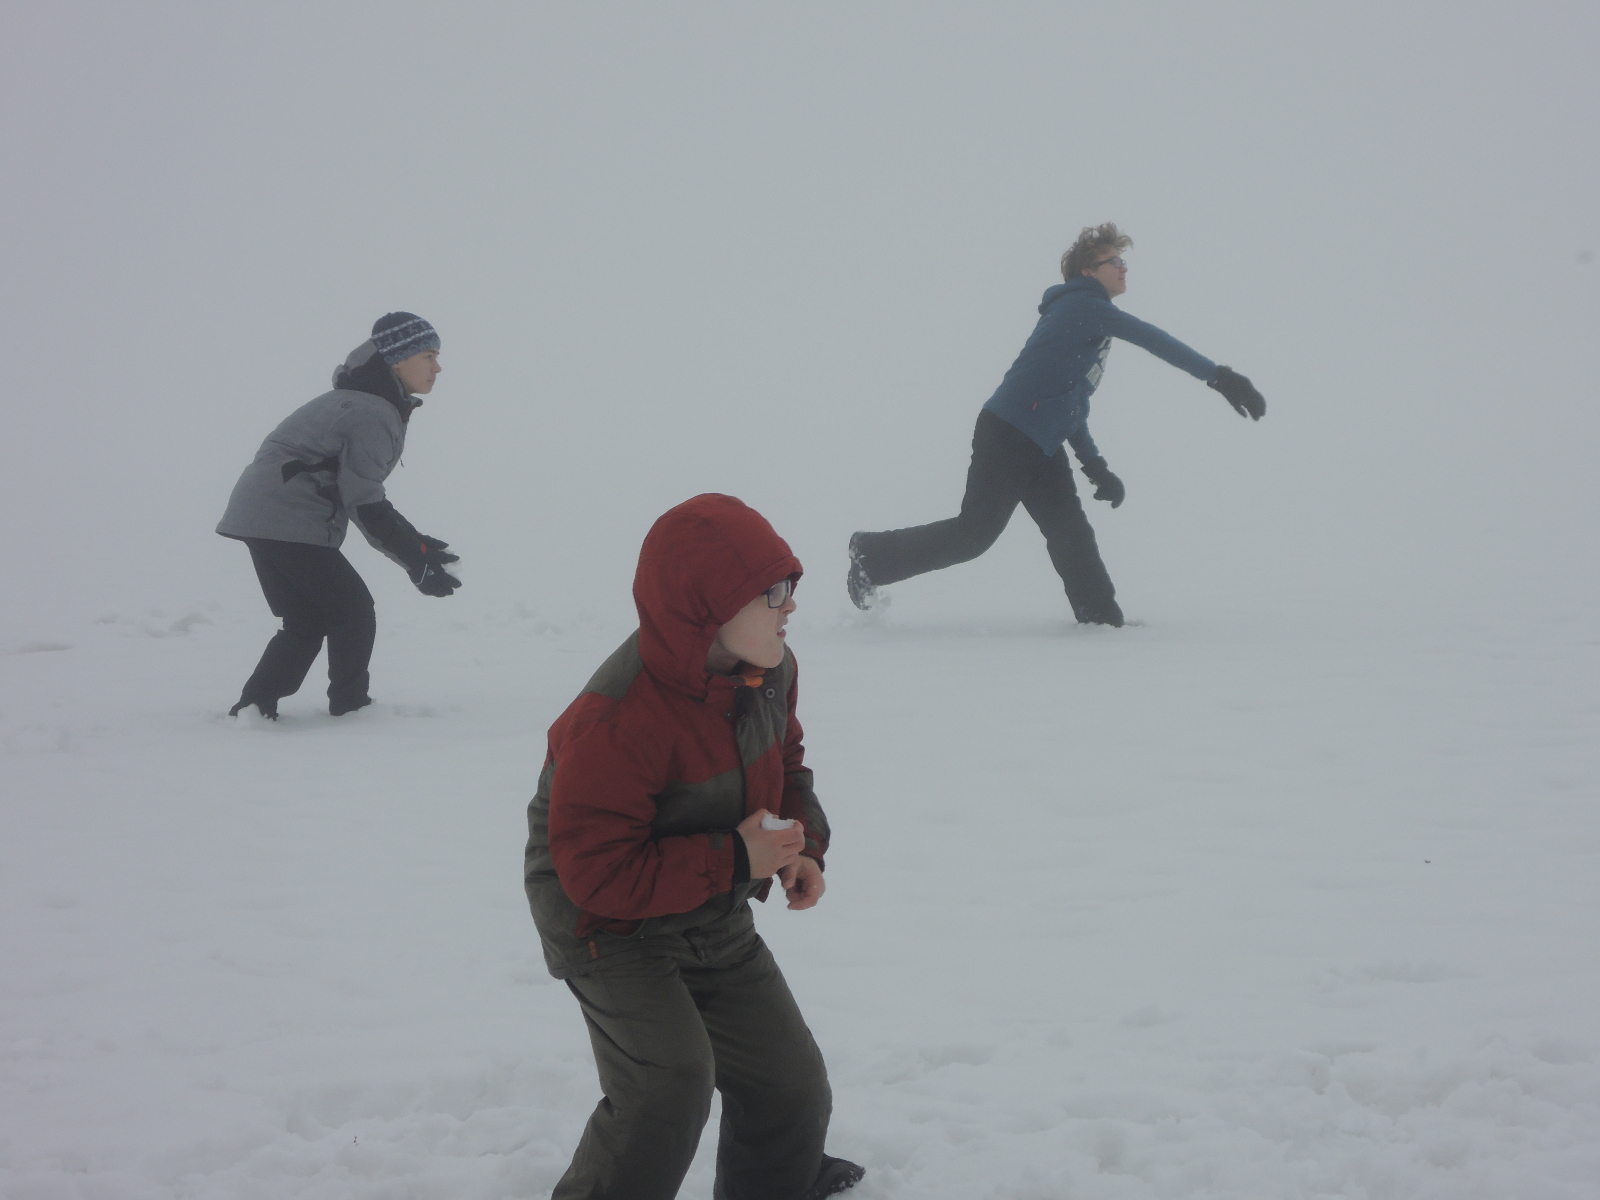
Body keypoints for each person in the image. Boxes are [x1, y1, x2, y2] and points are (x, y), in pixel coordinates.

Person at [524, 493, 864, 1200]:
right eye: (772, 592)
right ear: (707, 608)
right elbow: (596, 875)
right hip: (607, 927)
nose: (790, 606)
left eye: (790, 586)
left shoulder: (769, 671)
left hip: (710, 907)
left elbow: (786, 762)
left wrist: (803, 846)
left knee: (789, 1079)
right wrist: (737, 859)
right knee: (668, 1086)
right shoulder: (614, 722)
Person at [847, 223, 1266, 626]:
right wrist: (1219, 377)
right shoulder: (1084, 307)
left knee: (1071, 533)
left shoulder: (1088, 319)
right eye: (1114, 261)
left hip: (1041, 443)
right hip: (1009, 433)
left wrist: (1095, 465)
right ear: (1088, 271)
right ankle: (870, 555)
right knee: (973, 536)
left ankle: (1101, 620)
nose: (1124, 268)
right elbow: (1152, 338)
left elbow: (1070, 404)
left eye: (1124, 261)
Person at [216, 312, 461, 719]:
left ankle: (256, 706)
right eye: (428, 356)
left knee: (306, 620)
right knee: (353, 611)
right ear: (397, 359)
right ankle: (351, 707)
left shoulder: (362, 403)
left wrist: (416, 542)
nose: (437, 368)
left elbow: (363, 493)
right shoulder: (373, 412)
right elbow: (363, 501)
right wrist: (414, 560)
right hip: (287, 517)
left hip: (262, 514)